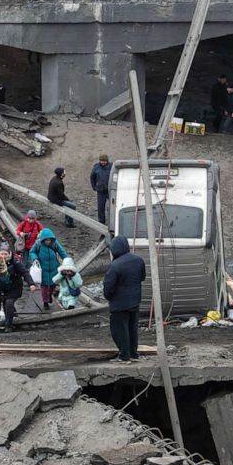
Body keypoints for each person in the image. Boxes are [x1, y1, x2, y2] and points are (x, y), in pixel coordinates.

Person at [103, 235, 145, 363]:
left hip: (119, 304)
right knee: (132, 328)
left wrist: (109, 297)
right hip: (135, 301)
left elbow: (108, 288)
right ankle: (133, 353)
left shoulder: (114, 266)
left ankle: (124, 356)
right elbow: (142, 277)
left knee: (120, 330)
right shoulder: (138, 260)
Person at [0, 241, 36, 331]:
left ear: (9, 254)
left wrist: (31, 283)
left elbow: (25, 272)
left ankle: (8, 325)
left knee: (9, 303)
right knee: (5, 304)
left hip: (15, 288)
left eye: (5, 254)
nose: (3, 256)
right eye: (1, 254)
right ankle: (10, 316)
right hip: (3, 288)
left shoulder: (15, 263)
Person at [28, 228, 67, 310]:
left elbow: (62, 252)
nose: (48, 241)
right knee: (44, 287)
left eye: (49, 240)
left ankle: (49, 296)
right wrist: (34, 258)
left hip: (54, 268)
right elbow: (32, 252)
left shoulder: (55, 243)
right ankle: (45, 302)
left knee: (53, 285)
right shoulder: (38, 244)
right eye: (46, 240)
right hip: (43, 270)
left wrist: (66, 260)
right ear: (43, 239)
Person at [90, 154, 112, 224]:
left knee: (113, 205)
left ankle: (113, 220)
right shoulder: (96, 167)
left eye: (104, 161)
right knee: (101, 206)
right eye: (102, 161)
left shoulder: (112, 166)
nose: (103, 162)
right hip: (101, 190)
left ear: (107, 160)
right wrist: (94, 187)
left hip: (110, 190)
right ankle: (101, 221)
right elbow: (92, 177)